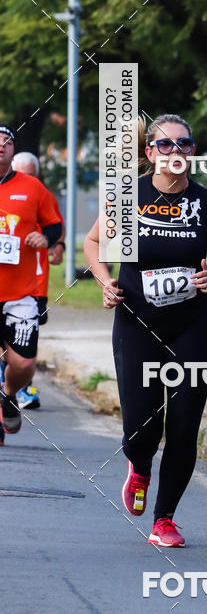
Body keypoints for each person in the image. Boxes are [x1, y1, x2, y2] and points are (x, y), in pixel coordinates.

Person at [84, 114, 207, 548]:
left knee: (184, 426)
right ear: (150, 152)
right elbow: (93, 244)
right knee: (142, 429)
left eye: (183, 144)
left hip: (191, 326)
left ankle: (164, 519)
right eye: (165, 145)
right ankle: (139, 466)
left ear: (193, 152)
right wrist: (105, 281)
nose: (175, 152)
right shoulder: (128, 196)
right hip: (136, 323)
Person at [0, 127, 63, 444]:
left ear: (14, 150)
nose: (1, 146)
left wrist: (48, 239)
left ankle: (9, 394)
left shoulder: (32, 188)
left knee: (23, 363)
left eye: (7, 142)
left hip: (21, 293)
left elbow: (54, 225)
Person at [11, 152, 65, 409]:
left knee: (26, 336)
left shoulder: (41, 194)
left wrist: (58, 245)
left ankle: (21, 388)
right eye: (21, 173)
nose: (26, 179)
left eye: (31, 174)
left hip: (34, 282)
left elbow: (56, 224)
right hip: (6, 281)